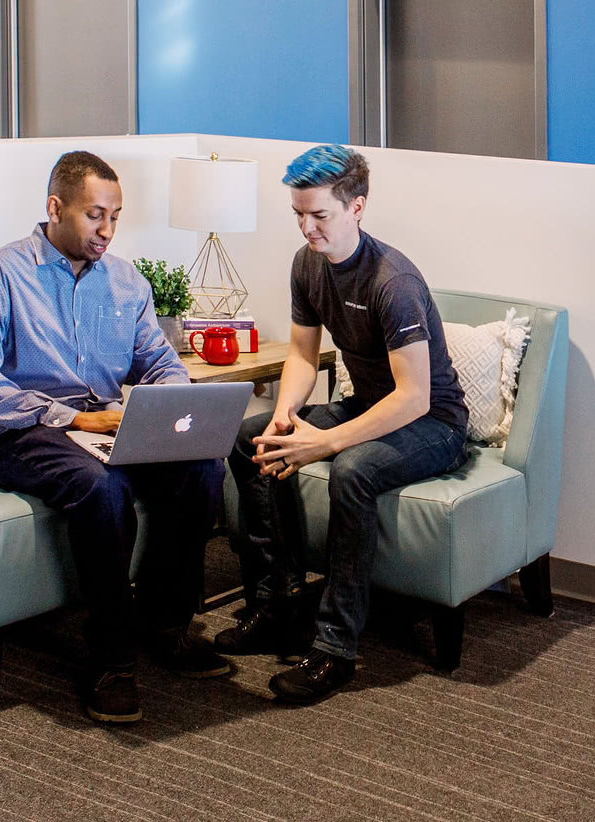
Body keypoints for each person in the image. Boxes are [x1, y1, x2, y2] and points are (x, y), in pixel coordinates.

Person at [0, 150, 228, 724]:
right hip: (19, 430)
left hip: (104, 423)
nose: (107, 230)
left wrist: (170, 404)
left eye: (116, 216)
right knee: (101, 488)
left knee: (203, 468)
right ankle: (112, 659)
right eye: (95, 215)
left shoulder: (126, 281)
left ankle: (166, 623)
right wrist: (74, 419)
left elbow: (156, 358)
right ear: (55, 207)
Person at [214, 144, 468, 704]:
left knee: (353, 469)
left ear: (357, 206)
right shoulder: (308, 265)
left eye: (319, 215)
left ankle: (335, 649)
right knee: (249, 437)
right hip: (370, 405)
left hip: (434, 422)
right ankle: (272, 604)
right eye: (298, 215)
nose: (307, 228)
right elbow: (304, 357)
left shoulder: (392, 281)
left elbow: (414, 398)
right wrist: (286, 413)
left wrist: (322, 442)